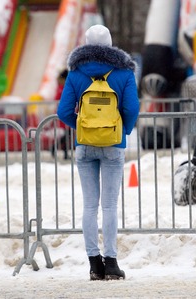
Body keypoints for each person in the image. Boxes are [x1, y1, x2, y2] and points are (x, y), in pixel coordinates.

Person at [57, 25, 140, 280]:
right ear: (111, 43)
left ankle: (94, 264)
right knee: (110, 206)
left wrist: (82, 129)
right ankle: (112, 263)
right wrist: (120, 130)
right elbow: (132, 108)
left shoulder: (76, 72)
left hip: (85, 147)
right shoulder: (124, 71)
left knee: (90, 206)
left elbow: (63, 112)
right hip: (113, 146)